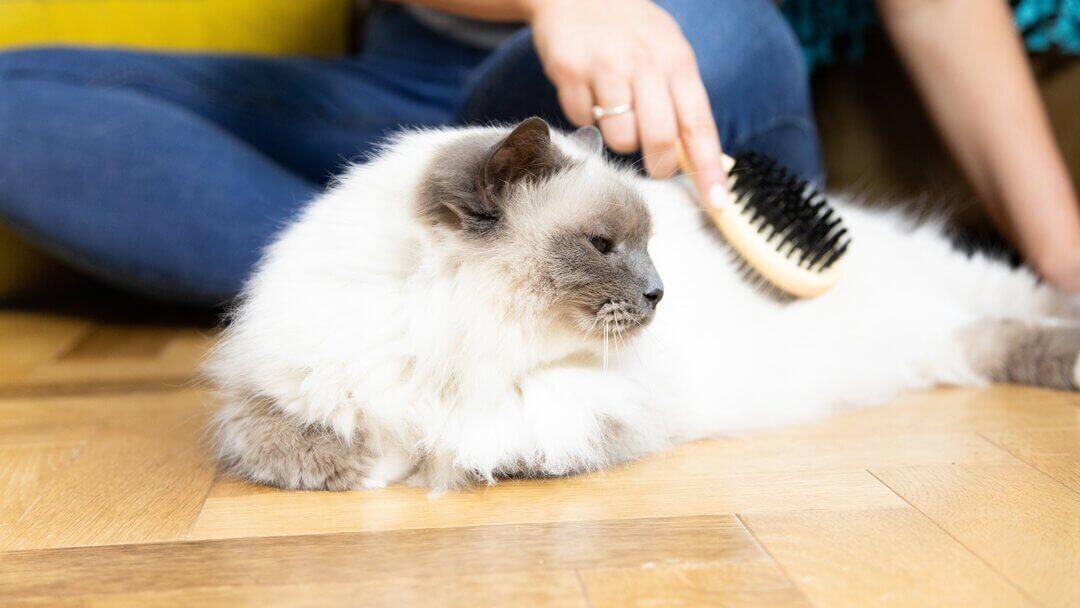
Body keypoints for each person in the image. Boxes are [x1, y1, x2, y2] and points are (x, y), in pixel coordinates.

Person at [0, 0, 1074, 304]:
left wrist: (1065, 261)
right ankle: (427, 256)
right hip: (408, 100)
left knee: (724, 31)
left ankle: (453, 266)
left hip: (676, 77)